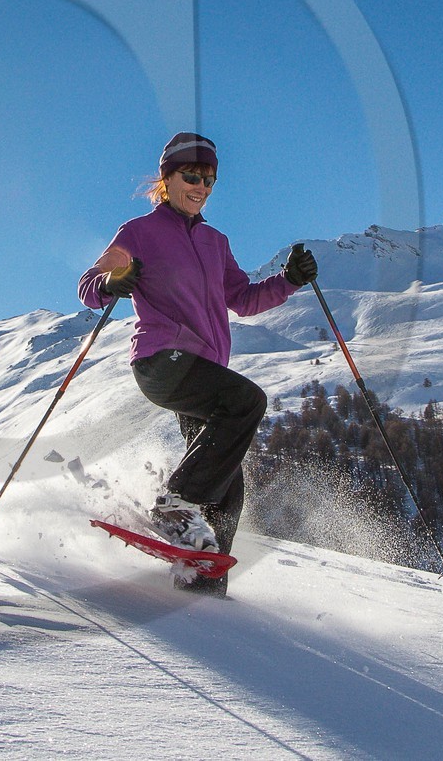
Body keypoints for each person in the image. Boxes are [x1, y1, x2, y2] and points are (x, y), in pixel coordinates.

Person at [78, 132, 318, 596]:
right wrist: (114, 279)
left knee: (228, 488)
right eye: (191, 176)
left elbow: (243, 300)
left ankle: (203, 580)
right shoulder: (138, 233)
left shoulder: (215, 241)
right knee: (247, 401)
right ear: (166, 179)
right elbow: (89, 286)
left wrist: (288, 280)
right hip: (161, 361)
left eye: (209, 179)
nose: (201, 186)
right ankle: (175, 505)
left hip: (202, 371)